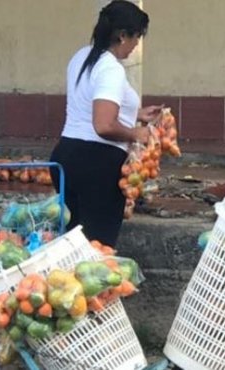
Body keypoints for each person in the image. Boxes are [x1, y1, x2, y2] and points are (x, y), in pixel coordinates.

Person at [50, 0, 161, 247]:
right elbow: (103, 125)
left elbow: (91, 103)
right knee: (98, 251)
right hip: (97, 166)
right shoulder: (111, 68)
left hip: (66, 156)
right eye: (136, 37)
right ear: (122, 36)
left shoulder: (82, 56)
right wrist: (136, 133)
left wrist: (137, 113)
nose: (136, 45)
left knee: (71, 244)